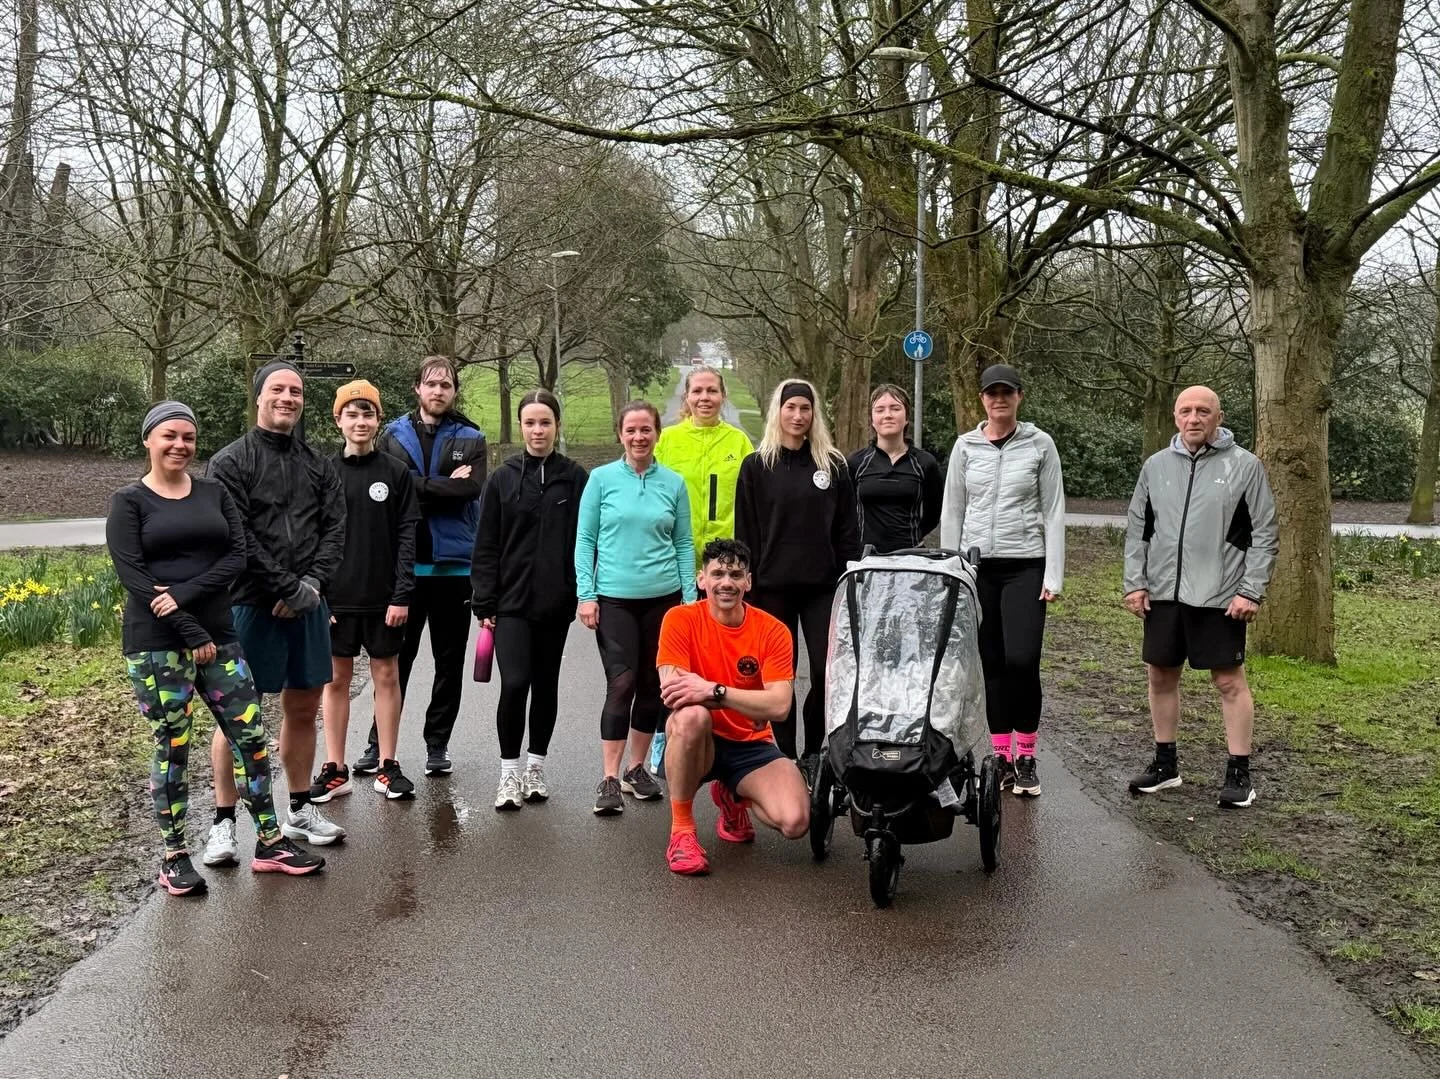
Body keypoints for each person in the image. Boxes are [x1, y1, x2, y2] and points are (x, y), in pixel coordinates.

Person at [109, 401, 324, 894]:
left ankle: (270, 843)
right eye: (169, 436)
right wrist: (189, 631)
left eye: (188, 436)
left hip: (220, 637)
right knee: (173, 746)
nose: (180, 445)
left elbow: (238, 555)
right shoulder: (129, 503)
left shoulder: (213, 493)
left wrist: (185, 598)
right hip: (158, 646)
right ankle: (173, 856)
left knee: (251, 738)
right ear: (149, 441)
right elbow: (133, 575)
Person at [206, 361, 348, 854]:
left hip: (308, 604)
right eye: (278, 390)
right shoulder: (230, 462)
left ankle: (300, 809)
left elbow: (335, 530)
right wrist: (286, 588)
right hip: (251, 604)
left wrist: (309, 585)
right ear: (259, 398)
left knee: (303, 708)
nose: (288, 397)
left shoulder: (317, 463)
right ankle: (223, 821)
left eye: (296, 391)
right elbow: (237, 537)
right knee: (237, 716)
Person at [1123, 385, 1277, 809]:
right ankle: (1165, 765)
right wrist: (1135, 582)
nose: (1194, 418)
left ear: (1218, 417)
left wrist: (1251, 590)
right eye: (1186, 411)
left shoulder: (1246, 466)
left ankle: (1239, 773)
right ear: (1175, 417)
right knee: (1160, 675)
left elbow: (1264, 533)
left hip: (1221, 594)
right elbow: (1139, 527)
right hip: (1164, 590)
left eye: (1203, 411)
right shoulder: (1155, 466)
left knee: (1228, 681)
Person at [940, 364, 1065, 799]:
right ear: (982, 400)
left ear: (1019, 397)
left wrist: (1053, 574)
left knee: (1023, 660)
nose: (999, 400)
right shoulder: (966, 446)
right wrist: (953, 570)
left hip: (1026, 565)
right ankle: (1002, 756)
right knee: (991, 663)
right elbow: (953, 510)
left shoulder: (1040, 445)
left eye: (1007, 393)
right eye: (992, 394)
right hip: (977, 569)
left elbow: (1053, 510)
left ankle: (1027, 754)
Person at [360, 356, 487, 778]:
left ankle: (437, 744)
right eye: (431, 384)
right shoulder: (392, 435)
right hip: (405, 570)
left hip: (454, 570)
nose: (438, 391)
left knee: (448, 664)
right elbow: (389, 490)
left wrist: (421, 486)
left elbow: (470, 489)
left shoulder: (472, 437)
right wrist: (443, 485)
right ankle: (379, 743)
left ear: (454, 391)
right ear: (417, 388)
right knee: (394, 661)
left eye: (446, 385)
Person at [657, 539, 809, 876]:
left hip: (751, 745)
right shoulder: (679, 620)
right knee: (691, 717)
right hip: (702, 740)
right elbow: (674, 693)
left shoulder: (773, 630)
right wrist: (752, 703)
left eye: (736, 574)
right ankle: (682, 832)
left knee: (796, 822)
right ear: (702, 579)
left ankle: (732, 796)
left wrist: (714, 690)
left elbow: (781, 706)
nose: (727, 582)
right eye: (719, 573)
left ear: (748, 582)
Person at [735, 377, 861, 777]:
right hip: (772, 589)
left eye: (805, 408)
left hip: (823, 587)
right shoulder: (757, 467)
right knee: (778, 677)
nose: (798, 415)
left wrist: (851, 577)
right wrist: (746, 585)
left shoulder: (833, 466)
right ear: (779, 411)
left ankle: (813, 749)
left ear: (813, 414)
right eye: (791, 407)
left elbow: (847, 531)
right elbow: (746, 531)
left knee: (828, 672)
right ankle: (783, 752)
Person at [575, 400, 696, 816]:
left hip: (663, 601)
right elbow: (585, 540)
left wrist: (690, 602)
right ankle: (608, 775)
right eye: (631, 430)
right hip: (614, 599)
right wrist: (585, 594)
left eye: (646, 430)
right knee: (621, 684)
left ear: (657, 433)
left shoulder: (674, 484)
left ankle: (636, 769)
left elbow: (683, 543)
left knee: (652, 687)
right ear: (620, 435)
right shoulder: (601, 480)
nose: (639, 437)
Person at [471, 389, 588, 811]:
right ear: (520, 427)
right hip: (510, 603)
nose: (538, 430)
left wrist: (580, 589)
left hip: (555, 603)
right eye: (530, 423)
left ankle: (536, 767)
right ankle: (508, 773)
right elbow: (485, 543)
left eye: (545, 422)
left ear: (557, 425)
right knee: (515, 682)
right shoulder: (503, 478)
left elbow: (585, 540)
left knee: (545, 685)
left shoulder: (575, 478)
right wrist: (484, 601)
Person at [316, 380, 421, 804]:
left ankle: (387, 766)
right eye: (352, 414)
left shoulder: (394, 473)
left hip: (383, 600)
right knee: (336, 679)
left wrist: (402, 595)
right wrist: (319, 597)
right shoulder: (324, 473)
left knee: (387, 676)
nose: (361, 422)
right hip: (336, 601)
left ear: (379, 420)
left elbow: (407, 535)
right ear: (338, 420)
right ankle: (335, 768)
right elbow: (312, 538)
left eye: (369, 414)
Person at [652, 364, 753, 768]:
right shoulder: (669, 441)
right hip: (676, 560)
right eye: (697, 391)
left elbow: (750, 500)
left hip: (724, 566)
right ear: (686, 398)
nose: (705, 398)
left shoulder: (739, 441)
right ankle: (666, 730)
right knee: (674, 654)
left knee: (723, 655)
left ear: (723, 396)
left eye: (712, 391)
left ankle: (730, 738)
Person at [847, 383, 943, 553]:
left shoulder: (925, 463)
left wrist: (913, 537)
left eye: (895, 408)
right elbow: (845, 513)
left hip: (911, 557)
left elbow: (934, 513)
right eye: (880, 410)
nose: (888, 415)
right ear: (872, 420)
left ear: (906, 417)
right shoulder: (856, 463)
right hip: (867, 559)